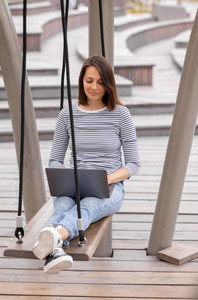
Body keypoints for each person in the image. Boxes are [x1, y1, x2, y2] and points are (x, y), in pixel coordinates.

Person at [32, 55, 140, 274]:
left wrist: (107, 178)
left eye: (100, 82)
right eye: (89, 80)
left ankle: (53, 239)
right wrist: (63, 174)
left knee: (88, 206)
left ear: (109, 84)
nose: (94, 87)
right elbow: (55, 158)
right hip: (73, 184)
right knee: (62, 206)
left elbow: (133, 163)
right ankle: (54, 248)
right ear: (82, 81)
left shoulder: (121, 114)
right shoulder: (67, 114)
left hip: (109, 188)